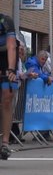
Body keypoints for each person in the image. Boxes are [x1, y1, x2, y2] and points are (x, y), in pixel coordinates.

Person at [0, 13, 18, 160]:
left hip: (6, 55)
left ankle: (5, 143)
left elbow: (12, 46)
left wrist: (11, 69)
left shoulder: (5, 20)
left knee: (7, 97)